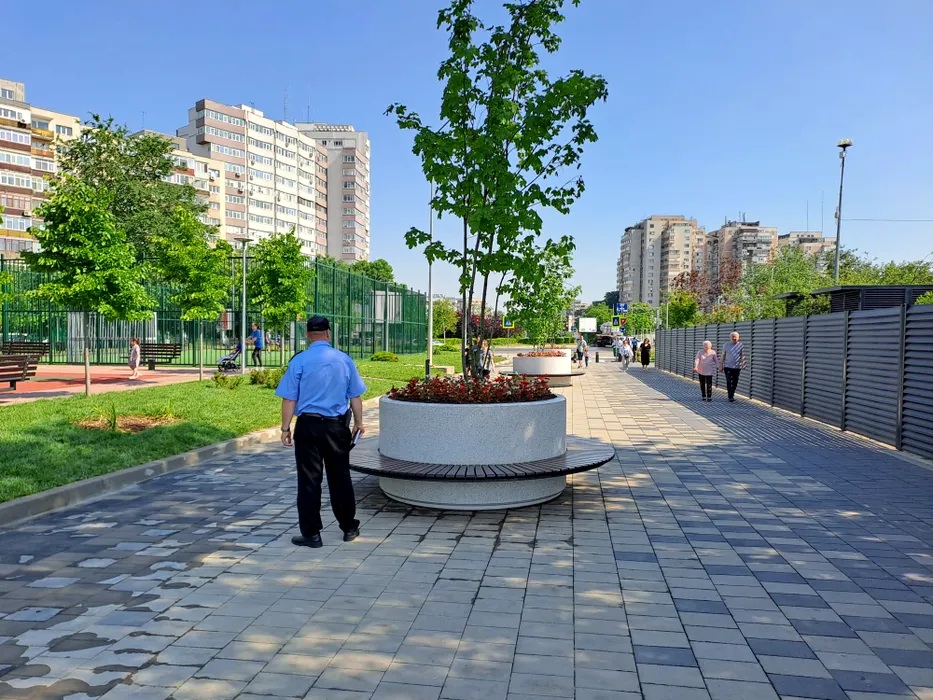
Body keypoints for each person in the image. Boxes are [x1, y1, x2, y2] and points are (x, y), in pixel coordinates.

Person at [276, 315, 365, 548]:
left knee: (309, 480)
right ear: (328, 333)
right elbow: (355, 396)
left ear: (307, 335)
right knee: (340, 477)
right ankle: (349, 527)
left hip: (308, 427)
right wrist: (359, 422)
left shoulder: (299, 361)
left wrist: (285, 428)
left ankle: (312, 534)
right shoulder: (344, 359)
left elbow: (289, 399)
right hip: (336, 427)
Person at [721, 331, 746, 402]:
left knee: (735, 381)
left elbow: (742, 355)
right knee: (729, 381)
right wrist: (721, 365)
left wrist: (743, 363)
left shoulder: (740, 345)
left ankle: (732, 394)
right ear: (730, 337)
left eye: (735, 337)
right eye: (733, 337)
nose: (734, 338)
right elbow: (723, 355)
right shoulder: (726, 345)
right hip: (727, 366)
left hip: (737, 367)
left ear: (738, 338)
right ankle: (730, 396)